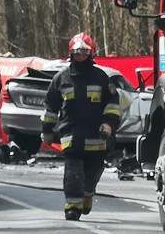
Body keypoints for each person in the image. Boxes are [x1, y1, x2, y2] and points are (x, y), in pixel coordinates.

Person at [41, 33, 121, 221]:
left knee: (93, 172)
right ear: (71, 54)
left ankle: (88, 193)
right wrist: (46, 130)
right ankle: (72, 207)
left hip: (97, 135)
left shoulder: (101, 78)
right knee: (73, 172)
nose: (80, 56)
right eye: (77, 53)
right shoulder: (61, 79)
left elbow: (113, 103)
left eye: (84, 53)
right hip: (72, 134)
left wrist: (108, 123)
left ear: (91, 54)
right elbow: (50, 106)